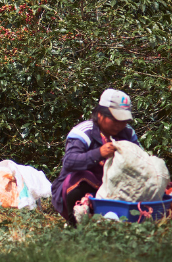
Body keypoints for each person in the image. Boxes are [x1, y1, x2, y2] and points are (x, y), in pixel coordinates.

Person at [50, 89, 140, 225]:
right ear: (99, 114)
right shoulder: (84, 132)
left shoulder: (127, 133)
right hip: (80, 190)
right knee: (81, 176)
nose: (119, 124)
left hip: (113, 190)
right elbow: (69, 162)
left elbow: (141, 159)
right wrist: (99, 153)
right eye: (115, 119)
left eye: (123, 120)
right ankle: (74, 223)